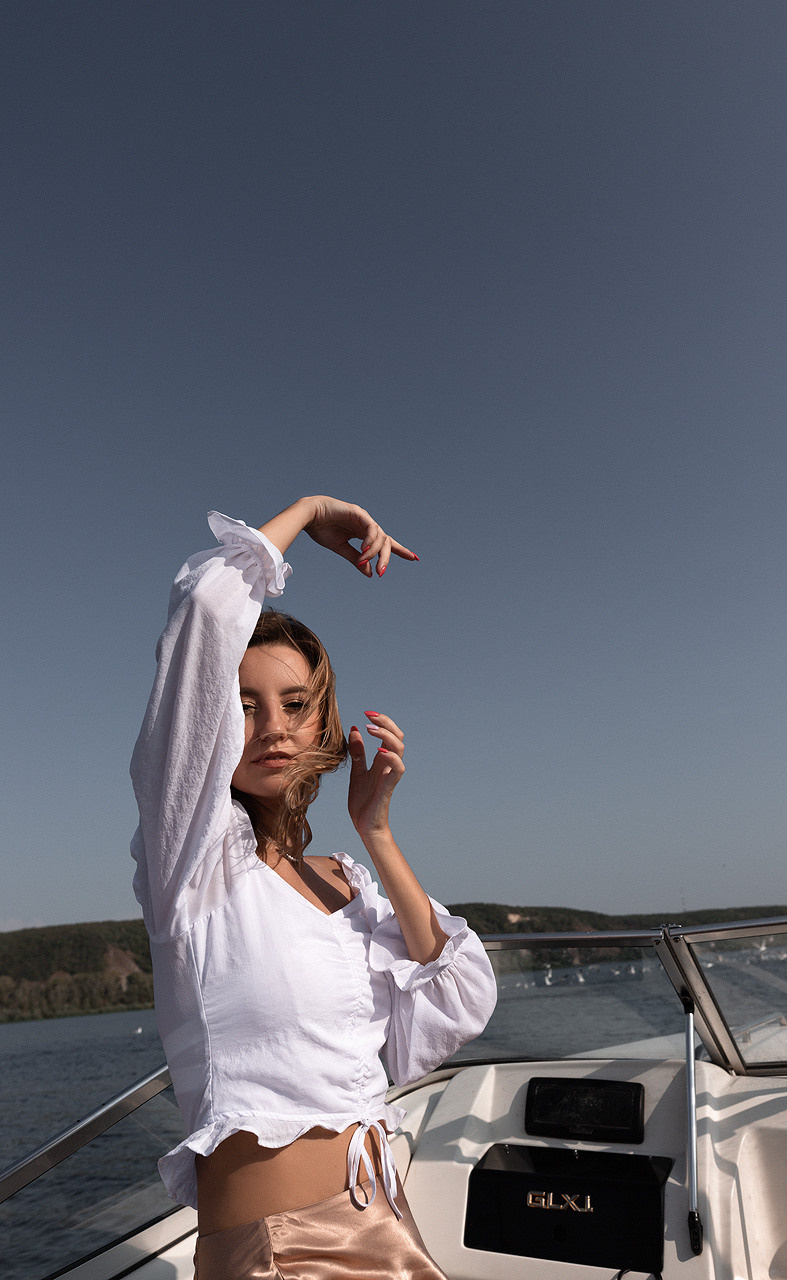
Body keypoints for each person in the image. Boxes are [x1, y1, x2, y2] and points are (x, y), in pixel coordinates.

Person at [130, 495, 497, 1279]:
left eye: (295, 705)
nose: (273, 727)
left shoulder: (343, 880)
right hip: (280, 1254)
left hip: (387, 1224)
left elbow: (448, 1003)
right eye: (242, 707)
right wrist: (311, 509)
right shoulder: (195, 864)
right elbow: (203, 611)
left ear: (320, 719)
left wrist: (379, 834)